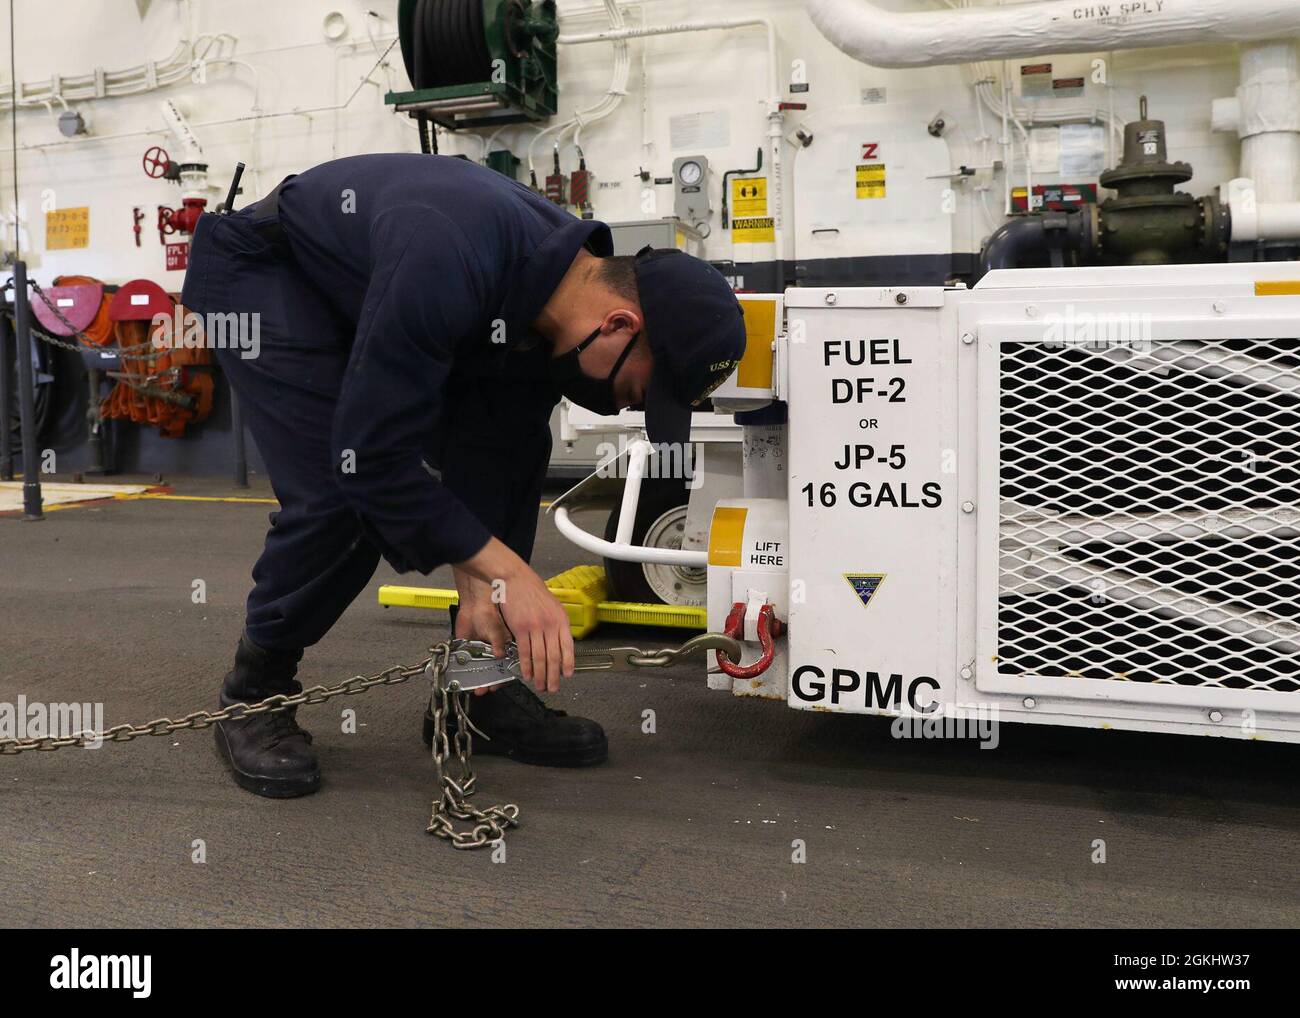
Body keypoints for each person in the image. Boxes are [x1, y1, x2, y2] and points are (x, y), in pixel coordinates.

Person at [181, 152, 746, 798]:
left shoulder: (552, 298)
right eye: (640, 391)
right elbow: (374, 461)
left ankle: (478, 688)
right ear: (619, 324)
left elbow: (489, 449)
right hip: (269, 277)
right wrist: (507, 572)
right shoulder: (448, 252)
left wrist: (482, 589)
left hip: (372, 288)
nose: (630, 407)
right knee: (340, 495)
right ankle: (254, 693)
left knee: (514, 448)